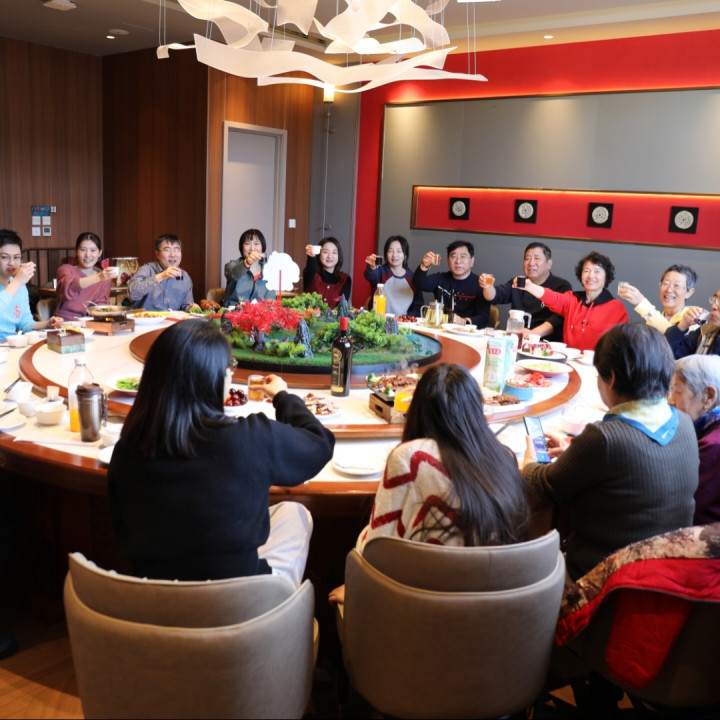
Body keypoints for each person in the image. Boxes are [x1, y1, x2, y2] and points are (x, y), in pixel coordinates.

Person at [108, 320, 335, 586]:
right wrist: (283, 397)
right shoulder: (251, 438)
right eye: (229, 366)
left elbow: (123, 532)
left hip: (152, 603)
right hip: (241, 605)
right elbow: (319, 443)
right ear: (215, 377)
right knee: (295, 513)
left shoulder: (127, 448)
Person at [329, 363, 531, 604]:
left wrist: (355, 588)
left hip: (421, 612)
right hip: (493, 613)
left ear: (417, 409)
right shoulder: (502, 456)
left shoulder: (412, 457)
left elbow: (377, 547)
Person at [522, 323, 698, 581]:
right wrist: (576, 452)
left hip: (602, 581)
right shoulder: (683, 422)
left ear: (611, 378)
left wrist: (528, 462)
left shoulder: (603, 439)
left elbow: (545, 486)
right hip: (664, 576)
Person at [519, 250, 628, 351]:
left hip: (598, 363)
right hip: (569, 360)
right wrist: (530, 287)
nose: (591, 276)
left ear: (606, 277)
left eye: (597, 271)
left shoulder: (616, 307)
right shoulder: (572, 299)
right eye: (587, 271)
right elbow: (553, 297)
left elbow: (623, 342)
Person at [479, 242, 572, 341]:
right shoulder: (518, 282)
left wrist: (533, 333)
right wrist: (487, 287)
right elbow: (494, 296)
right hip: (518, 339)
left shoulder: (561, 286)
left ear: (549, 263)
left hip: (546, 341)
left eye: (537, 258)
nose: (531, 263)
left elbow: (559, 318)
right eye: (527, 258)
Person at [669, 355, 720, 525]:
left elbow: (678, 505)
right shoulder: (707, 427)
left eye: (677, 392)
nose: (670, 401)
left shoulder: (713, 447)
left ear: (708, 396)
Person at [0, 229, 62, 339]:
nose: (12, 263)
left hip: (11, 344)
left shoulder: (20, 287)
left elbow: (25, 324)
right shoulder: (18, 283)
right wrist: (17, 282)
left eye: (16, 257)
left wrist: (47, 324)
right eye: (5, 257)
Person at [414, 240, 490, 327]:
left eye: (463, 256)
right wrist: (424, 265)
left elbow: (484, 317)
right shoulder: (440, 279)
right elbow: (419, 283)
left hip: (466, 331)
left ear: (472, 261)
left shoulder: (480, 284)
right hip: (440, 328)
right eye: (453, 256)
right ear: (448, 260)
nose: (458, 261)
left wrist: (464, 321)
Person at [127, 233, 199, 312]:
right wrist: (161, 276)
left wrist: (191, 308)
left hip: (174, 319)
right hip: (147, 318)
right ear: (157, 254)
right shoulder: (146, 269)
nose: (172, 255)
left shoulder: (184, 276)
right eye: (167, 250)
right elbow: (132, 293)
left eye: (176, 250)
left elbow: (186, 305)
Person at [618, 264, 699, 333]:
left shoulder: (694, 316)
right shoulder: (655, 319)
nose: (669, 290)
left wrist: (641, 303)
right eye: (666, 283)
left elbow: (672, 337)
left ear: (689, 293)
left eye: (676, 286)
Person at [55, 232, 115, 320]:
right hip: (66, 321)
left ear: (99, 253)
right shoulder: (65, 269)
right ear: (76, 251)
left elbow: (101, 306)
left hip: (91, 322)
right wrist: (99, 277)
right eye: (83, 250)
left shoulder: (105, 278)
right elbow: (70, 288)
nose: (88, 255)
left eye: (93, 250)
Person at [363, 235, 422, 317]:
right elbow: (370, 275)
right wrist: (372, 267)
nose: (394, 255)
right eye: (390, 251)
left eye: (399, 251)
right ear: (386, 254)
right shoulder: (380, 271)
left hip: (403, 323)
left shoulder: (412, 278)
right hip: (379, 321)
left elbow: (417, 308)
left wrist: (406, 320)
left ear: (405, 255)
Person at [224, 228, 276, 306]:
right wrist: (247, 263)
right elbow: (233, 274)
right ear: (242, 247)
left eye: (256, 244)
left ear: (262, 247)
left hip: (260, 312)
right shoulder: (232, 265)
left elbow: (270, 298)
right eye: (247, 244)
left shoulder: (269, 270)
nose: (252, 248)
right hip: (234, 310)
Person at [665, 289, 720, 358]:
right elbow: (666, 352)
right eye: (715, 299)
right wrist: (682, 325)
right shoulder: (705, 332)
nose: (713, 306)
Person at [303, 237, 351, 309]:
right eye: (325, 252)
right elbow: (310, 268)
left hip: (335, 317)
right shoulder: (312, 273)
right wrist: (312, 257)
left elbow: (342, 308)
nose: (330, 256)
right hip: (309, 316)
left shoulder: (346, 279)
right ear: (319, 254)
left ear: (339, 256)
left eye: (334, 252)